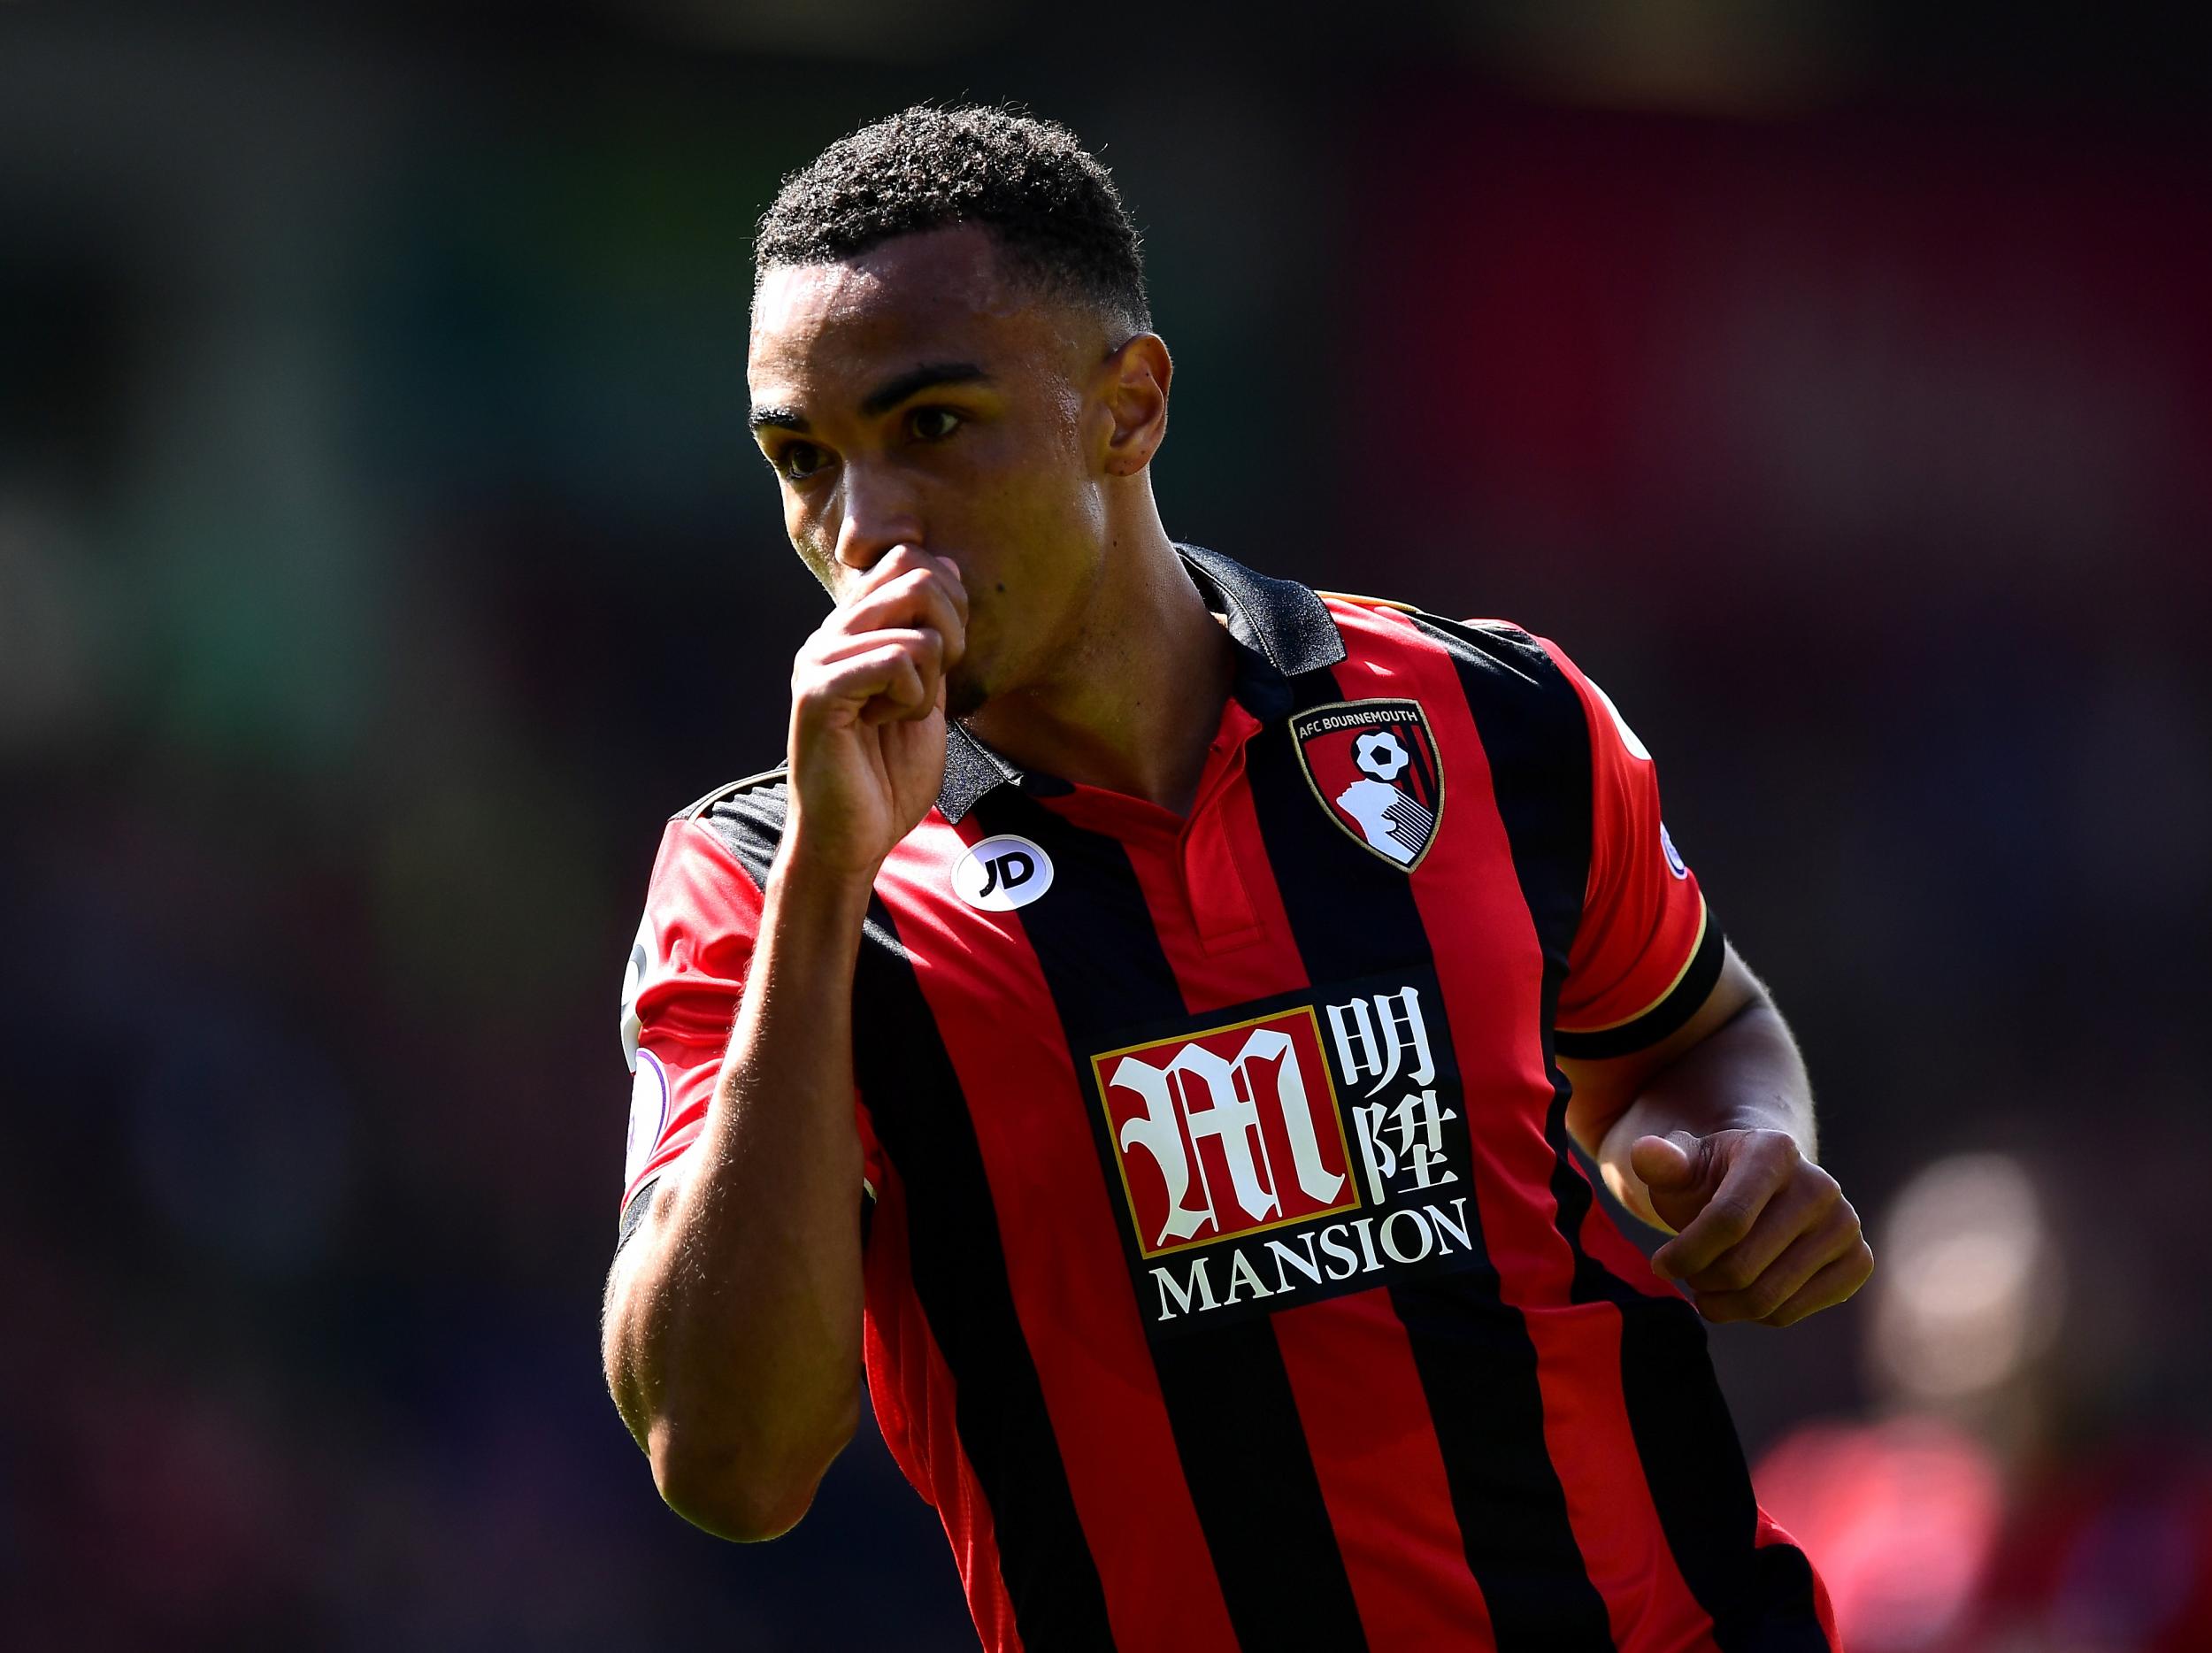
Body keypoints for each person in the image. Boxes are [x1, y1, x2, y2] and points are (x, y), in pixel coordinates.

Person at [600, 104, 1872, 1652]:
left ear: (1128, 408)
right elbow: (727, 1465)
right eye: (805, 459)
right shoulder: (754, 877)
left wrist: (1740, 1146)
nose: (862, 529)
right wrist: (828, 888)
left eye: (931, 426)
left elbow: (1688, 1030)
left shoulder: (1489, 712)